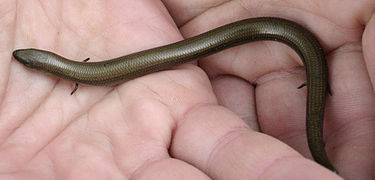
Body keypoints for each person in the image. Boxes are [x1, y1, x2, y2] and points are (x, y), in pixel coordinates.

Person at [2, 0, 374, 179]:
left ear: (47, 63)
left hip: (277, 31)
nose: (24, 60)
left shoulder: (80, 74)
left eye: (30, 60)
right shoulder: (79, 72)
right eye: (29, 61)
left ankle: (321, 152)